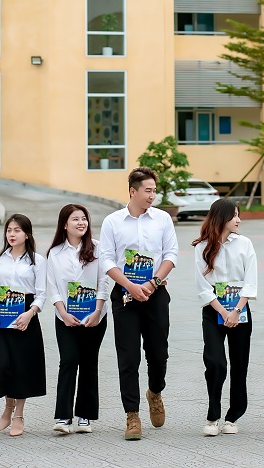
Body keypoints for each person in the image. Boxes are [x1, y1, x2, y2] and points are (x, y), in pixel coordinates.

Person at [97, 167, 179, 441]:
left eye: (154, 190)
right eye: (148, 190)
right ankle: (132, 415)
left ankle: (155, 392)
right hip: (125, 297)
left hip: (156, 294)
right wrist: (131, 285)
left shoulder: (163, 219)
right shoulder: (112, 222)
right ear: (132, 191)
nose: (152, 195)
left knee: (159, 354)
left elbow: (171, 254)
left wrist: (153, 282)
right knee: (128, 357)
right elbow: (107, 259)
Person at [192, 198, 257, 437]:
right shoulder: (202, 247)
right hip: (214, 311)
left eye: (238, 215)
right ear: (221, 218)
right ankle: (213, 415)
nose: (238, 220)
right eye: (234, 216)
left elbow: (251, 281)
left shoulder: (245, 244)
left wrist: (237, 311)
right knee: (215, 362)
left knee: (240, 364)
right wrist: (223, 311)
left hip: (240, 310)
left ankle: (233, 416)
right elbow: (202, 285)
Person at [46, 204, 112, 435]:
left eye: (84, 218)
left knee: (88, 362)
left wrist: (97, 310)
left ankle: (85, 416)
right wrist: (62, 313)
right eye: (75, 219)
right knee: (68, 361)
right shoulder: (54, 253)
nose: (81, 223)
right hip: (65, 317)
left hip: (95, 316)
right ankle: (63, 417)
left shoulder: (98, 249)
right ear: (65, 224)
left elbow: (104, 281)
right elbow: (53, 286)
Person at [0, 213, 47, 437]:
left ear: (27, 234)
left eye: (17, 230)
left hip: (25, 317)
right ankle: (8, 404)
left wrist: (30, 314)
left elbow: (41, 295)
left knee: (22, 368)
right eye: (9, 230)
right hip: (2, 316)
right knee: (3, 365)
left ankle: (19, 415)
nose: (12, 234)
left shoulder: (37, 261)